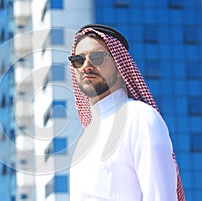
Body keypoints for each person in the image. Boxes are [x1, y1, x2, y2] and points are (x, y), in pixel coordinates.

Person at [68, 24, 185, 201]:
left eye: (97, 57)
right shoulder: (86, 137)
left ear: (121, 68)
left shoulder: (140, 117)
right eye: (78, 60)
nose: (86, 66)